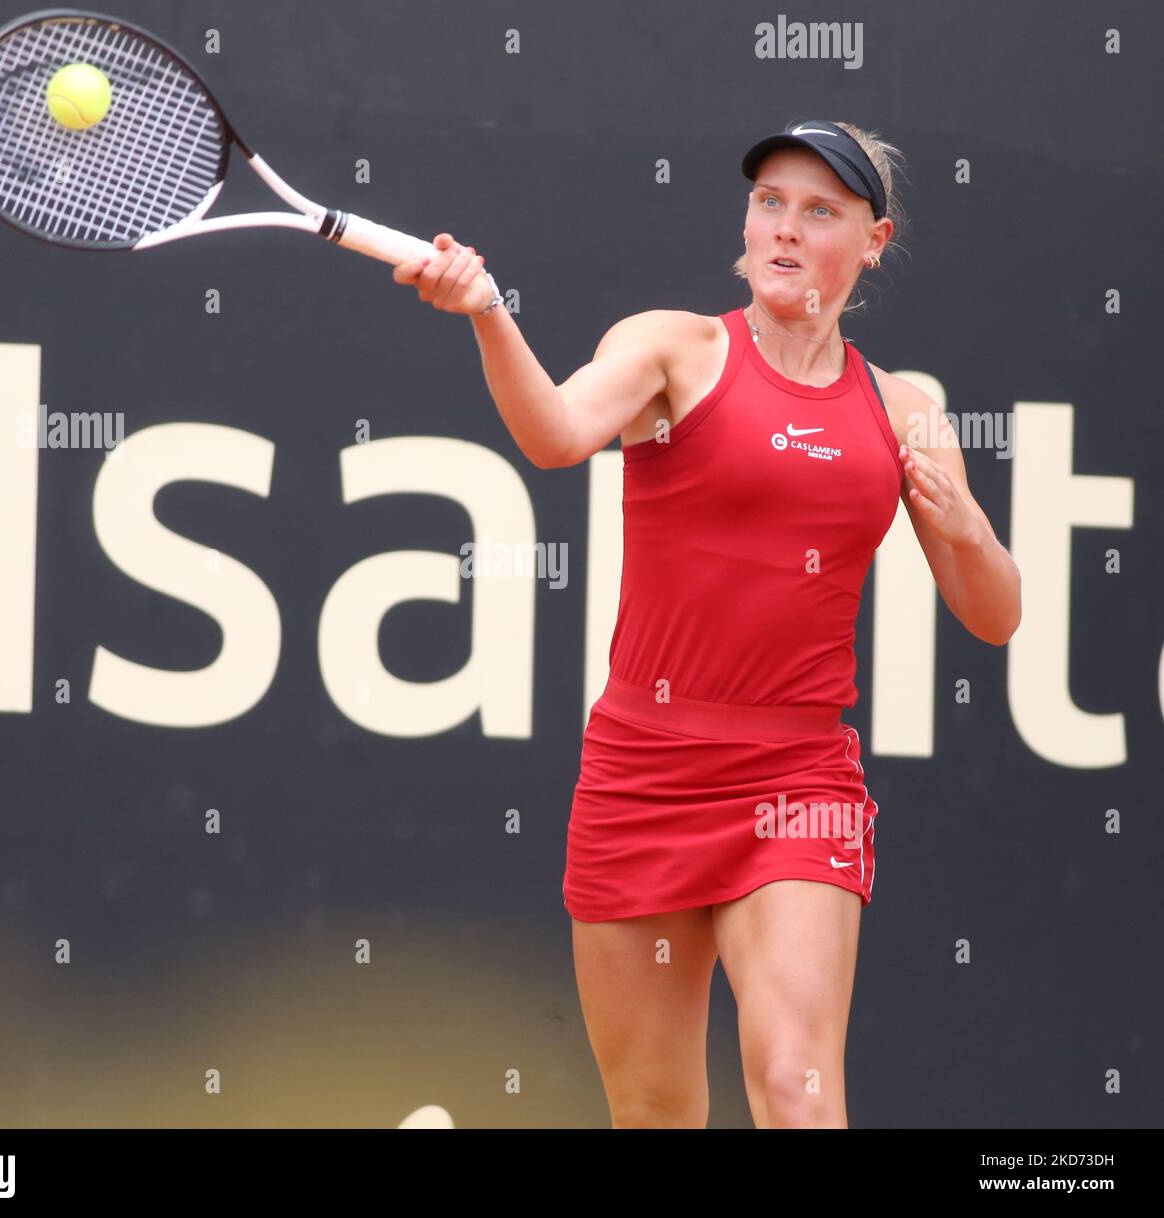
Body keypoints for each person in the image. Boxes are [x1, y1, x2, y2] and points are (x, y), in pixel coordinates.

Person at [392, 119, 1021, 1129]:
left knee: (795, 1092)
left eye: (820, 211)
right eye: (769, 202)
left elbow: (995, 618)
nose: (784, 229)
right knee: (653, 1112)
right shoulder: (671, 348)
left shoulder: (902, 413)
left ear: (873, 242)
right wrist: (485, 313)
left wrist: (968, 532)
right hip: (641, 775)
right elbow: (554, 436)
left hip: (797, 782)